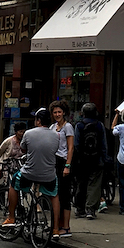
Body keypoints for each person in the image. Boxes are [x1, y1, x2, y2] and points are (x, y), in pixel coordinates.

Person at [3, 108, 60, 239]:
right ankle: (56, 229)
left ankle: (11, 217)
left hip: (30, 172)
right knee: (54, 195)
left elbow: (23, 149)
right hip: (49, 174)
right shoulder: (56, 135)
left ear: (38, 121)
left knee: (14, 184)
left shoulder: (28, 133)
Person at [73, 103, 108, 221]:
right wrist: (105, 158)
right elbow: (103, 144)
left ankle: (80, 208)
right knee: (94, 185)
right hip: (96, 159)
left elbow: (76, 144)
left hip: (82, 160)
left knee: (81, 184)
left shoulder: (79, 126)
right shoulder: (99, 126)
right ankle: (90, 209)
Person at [49, 100, 74, 236]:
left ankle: (66, 226)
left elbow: (70, 148)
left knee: (65, 195)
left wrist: (67, 165)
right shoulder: (53, 127)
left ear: (64, 112)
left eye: (59, 112)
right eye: (55, 112)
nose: (57, 114)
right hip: (54, 162)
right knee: (55, 194)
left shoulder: (68, 127)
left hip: (63, 162)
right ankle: (56, 225)